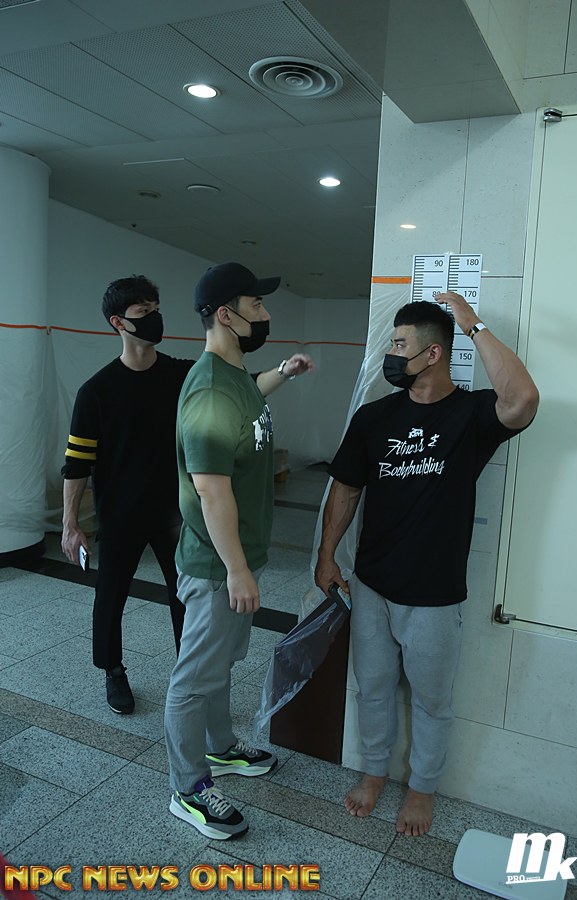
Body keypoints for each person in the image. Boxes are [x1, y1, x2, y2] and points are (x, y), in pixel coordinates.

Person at [315, 293, 539, 837]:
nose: (391, 355)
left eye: (400, 345)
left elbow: (523, 399)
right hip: (372, 585)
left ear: (433, 353)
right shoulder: (374, 417)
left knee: (432, 700)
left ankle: (422, 788)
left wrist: (473, 323)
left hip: (436, 596)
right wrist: (326, 556)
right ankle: (373, 773)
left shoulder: (471, 415)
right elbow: (346, 489)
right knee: (372, 688)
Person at [62, 273, 312, 717]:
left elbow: (247, 388)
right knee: (111, 596)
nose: (154, 319)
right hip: (119, 514)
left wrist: (285, 372)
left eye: (156, 310)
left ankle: (191, 668)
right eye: (143, 313)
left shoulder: (182, 374)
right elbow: (76, 464)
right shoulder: (96, 392)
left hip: (174, 513)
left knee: (185, 596)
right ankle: (112, 669)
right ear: (118, 323)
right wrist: (69, 525)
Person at [164, 262, 315, 841]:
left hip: (234, 560)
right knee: (193, 678)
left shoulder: (233, 376)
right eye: (257, 306)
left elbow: (248, 398)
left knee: (219, 664)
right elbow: (209, 488)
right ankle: (188, 789)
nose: (266, 315)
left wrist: (283, 373)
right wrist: (235, 569)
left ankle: (221, 747)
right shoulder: (207, 389)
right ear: (226, 315)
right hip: (216, 564)